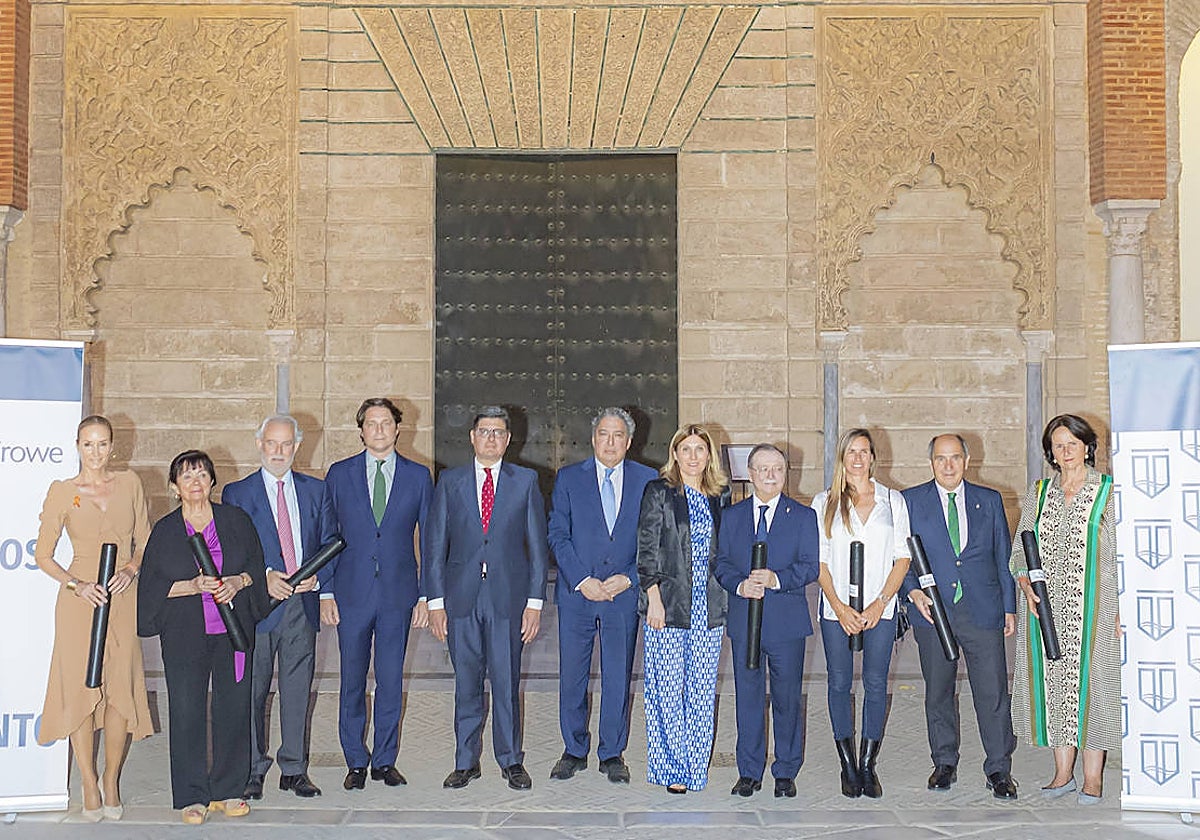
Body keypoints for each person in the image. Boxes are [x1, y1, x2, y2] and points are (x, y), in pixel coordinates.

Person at [137, 450, 269, 825]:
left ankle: (229, 789)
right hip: (185, 635)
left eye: (201, 474)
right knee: (186, 710)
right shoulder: (165, 531)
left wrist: (237, 581)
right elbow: (151, 589)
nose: (195, 482)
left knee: (234, 708)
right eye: (186, 476)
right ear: (174, 487)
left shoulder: (236, 521)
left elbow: (255, 568)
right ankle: (192, 795)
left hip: (233, 631)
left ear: (212, 481)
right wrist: (192, 586)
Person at [34, 415, 154, 821]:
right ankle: (87, 779)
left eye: (103, 444)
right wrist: (77, 585)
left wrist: (131, 569)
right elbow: (43, 555)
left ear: (113, 447)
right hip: (79, 600)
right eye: (89, 444)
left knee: (120, 687)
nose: (96, 452)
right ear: (77, 446)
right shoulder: (63, 492)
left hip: (122, 595)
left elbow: (145, 540)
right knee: (81, 689)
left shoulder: (130, 484)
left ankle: (111, 779)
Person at [423, 406, 549, 791]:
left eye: (498, 432)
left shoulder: (525, 481)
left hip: (507, 599)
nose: (490, 438)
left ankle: (510, 760)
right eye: (484, 431)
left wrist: (534, 603)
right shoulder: (450, 481)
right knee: (466, 683)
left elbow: (537, 549)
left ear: (508, 440)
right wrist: (435, 603)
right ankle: (465, 761)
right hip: (461, 599)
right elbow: (434, 547)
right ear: (472, 437)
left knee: (506, 682)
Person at [222, 415, 338, 800]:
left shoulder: (316, 490)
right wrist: (265, 574)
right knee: (252, 691)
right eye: (271, 443)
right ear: (259, 444)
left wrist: (318, 579)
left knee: (297, 690)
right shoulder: (238, 493)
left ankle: (294, 769)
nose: (278, 451)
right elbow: (233, 550)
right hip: (257, 607)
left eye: (286, 444)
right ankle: (252, 768)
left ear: (297, 447)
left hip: (301, 607)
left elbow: (330, 542)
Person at [321, 397, 433, 790]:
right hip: (351, 593)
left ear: (398, 428)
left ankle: (385, 760)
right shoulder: (339, 474)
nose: (379, 429)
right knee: (352, 679)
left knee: (389, 679)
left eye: (386, 422)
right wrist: (326, 591)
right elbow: (327, 535)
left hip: (398, 595)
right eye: (372, 423)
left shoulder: (418, 477)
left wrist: (427, 596)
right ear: (361, 430)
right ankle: (355, 760)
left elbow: (430, 539)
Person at [901, 434, 1018, 799]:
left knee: (993, 692)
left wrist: (1009, 607)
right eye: (940, 458)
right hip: (933, 612)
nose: (948, 465)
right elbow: (899, 557)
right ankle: (944, 762)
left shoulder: (990, 500)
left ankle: (998, 768)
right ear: (931, 463)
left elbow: (1002, 556)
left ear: (967, 461)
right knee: (938, 691)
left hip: (982, 609)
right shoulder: (910, 501)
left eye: (954, 458)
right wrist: (912, 592)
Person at [1010, 414, 1119, 805]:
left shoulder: (1109, 492)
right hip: (1047, 611)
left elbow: (1123, 554)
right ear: (1050, 453)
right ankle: (1061, 773)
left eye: (1073, 443)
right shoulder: (1039, 492)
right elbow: (1020, 547)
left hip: (1096, 609)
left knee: (1093, 687)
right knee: (1054, 686)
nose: (1066, 451)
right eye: (1058, 445)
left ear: (1087, 447)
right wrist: (1024, 582)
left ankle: (1093, 777)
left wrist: (1123, 609)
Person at [547, 407, 656, 784]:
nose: (610, 443)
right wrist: (581, 579)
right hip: (578, 594)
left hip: (622, 595)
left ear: (629, 441)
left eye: (618, 435)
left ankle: (612, 753)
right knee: (572, 676)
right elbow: (557, 533)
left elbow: (653, 539)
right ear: (593, 438)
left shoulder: (647, 479)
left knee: (617, 676)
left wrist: (629, 578)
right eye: (604, 435)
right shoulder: (568, 478)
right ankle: (574, 749)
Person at [714, 443, 819, 799]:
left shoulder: (803, 517)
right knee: (748, 698)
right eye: (763, 469)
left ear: (786, 473)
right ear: (750, 474)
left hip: (786, 624)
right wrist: (739, 584)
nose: (770, 475)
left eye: (777, 468)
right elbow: (721, 563)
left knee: (787, 699)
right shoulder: (732, 516)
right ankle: (749, 771)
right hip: (745, 621)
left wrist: (777, 579)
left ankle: (786, 770)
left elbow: (809, 566)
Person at [813, 428, 911, 799]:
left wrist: (880, 603)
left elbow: (903, 557)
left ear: (873, 457)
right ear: (842, 457)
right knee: (839, 682)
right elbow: (819, 561)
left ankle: (868, 764)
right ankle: (847, 764)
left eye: (864, 451)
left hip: (880, 609)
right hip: (836, 609)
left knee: (875, 683)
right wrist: (839, 608)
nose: (858, 458)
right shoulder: (824, 501)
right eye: (851, 451)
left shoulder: (893, 500)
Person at [636, 423, 728, 794]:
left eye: (699, 449)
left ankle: (695, 766)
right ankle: (672, 767)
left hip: (710, 607)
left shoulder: (719, 495)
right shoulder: (659, 492)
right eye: (685, 449)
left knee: (701, 691)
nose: (692, 456)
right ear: (674, 454)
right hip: (669, 605)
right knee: (668, 690)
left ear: (709, 455)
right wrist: (653, 597)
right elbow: (646, 548)